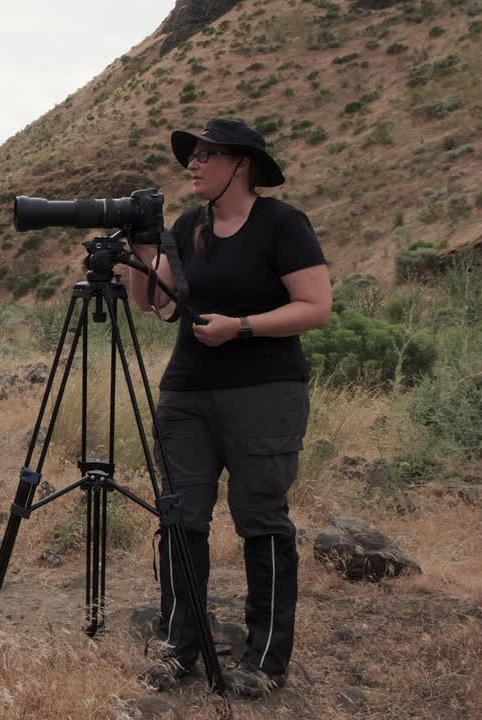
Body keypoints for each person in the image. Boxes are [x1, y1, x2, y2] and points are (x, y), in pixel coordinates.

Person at [125, 118, 332, 698]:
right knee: (180, 516)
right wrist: (144, 246)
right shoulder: (189, 226)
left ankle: (264, 661)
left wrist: (242, 327)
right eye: (189, 156)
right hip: (187, 391)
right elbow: (153, 304)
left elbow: (316, 306)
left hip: (265, 391)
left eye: (205, 155)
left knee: (260, 517)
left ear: (241, 164)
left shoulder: (282, 224)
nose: (191, 163)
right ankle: (177, 647)